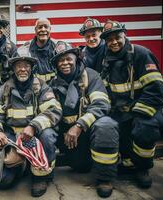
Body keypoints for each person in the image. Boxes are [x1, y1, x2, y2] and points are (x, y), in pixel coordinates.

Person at [0, 46, 62, 197]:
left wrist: (33, 126)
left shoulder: (41, 87)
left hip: (35, 136)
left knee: (48, 135)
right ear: (13, 67)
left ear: (32, 67)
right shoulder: (5, 89)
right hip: (12, 137)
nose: (23, 69)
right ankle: (22, 165)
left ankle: (41, 176)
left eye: (26, 65)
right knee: (2, 182)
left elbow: (53, 110)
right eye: (19, 65)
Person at [100, 20, 163, 189]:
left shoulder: (141, 54)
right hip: (121, 109)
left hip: (145, 107)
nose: (114, 42)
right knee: (115, 129)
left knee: (144, 129)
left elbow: (156, 87)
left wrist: (138, 111)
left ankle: (142, 168)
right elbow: (107, 88)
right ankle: (129, 164)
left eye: (117, 37)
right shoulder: (107, 59)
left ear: (125, 35)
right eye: (109, 39)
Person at [49, 41, 119, 198]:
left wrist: (79, 125)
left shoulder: (91, 76)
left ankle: (105, 179)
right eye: (60, 60)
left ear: (76, 58)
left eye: (68, 58)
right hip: (70, 137)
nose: (64, 63)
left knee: (106, 125)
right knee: (81, 167)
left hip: (88, 130)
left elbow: (101, 105)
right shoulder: (53, 84)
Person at [21, 18, 58, 83]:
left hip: (55, 85)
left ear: (50, 29)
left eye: (46, 27)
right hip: (32, 85)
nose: (43, 29)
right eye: (40, 27)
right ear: (35, 30)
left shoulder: (57, 47)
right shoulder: (25, 49)